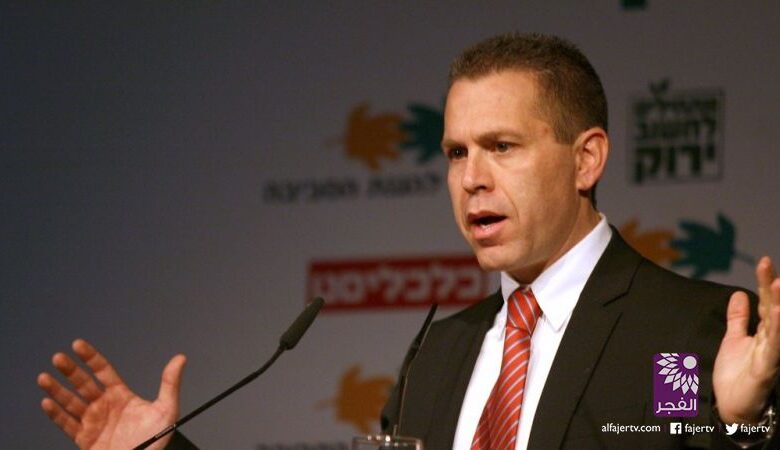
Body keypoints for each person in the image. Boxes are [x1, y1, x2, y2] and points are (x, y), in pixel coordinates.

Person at [38, 32, 780, 450]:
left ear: (586, 159)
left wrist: (747, 427)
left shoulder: (687, 333)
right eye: (456, 153)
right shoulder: (439, 354)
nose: (472, 179)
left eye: (502, 147)